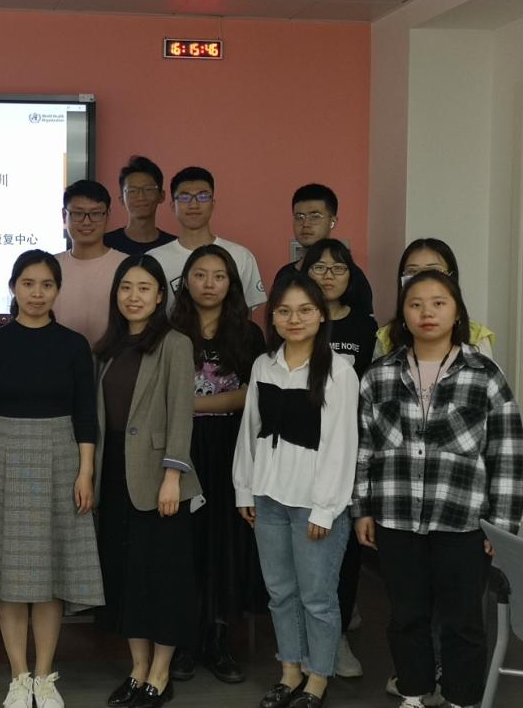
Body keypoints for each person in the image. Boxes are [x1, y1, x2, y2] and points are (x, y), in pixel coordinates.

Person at [354, 270, 523, 708]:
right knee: (406, 616)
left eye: (438, 303)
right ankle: (413, 693)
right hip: (396, 516)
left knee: (464, 621)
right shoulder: (379, 375)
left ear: (457, 312)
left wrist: (502, 526)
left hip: (464, 521)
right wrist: (362, 508)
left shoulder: (485, 374)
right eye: (415, 304)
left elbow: (506, 452)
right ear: (402, 315)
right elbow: (366, 448)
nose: (426, 312)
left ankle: (462, 700)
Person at [0, 250, 103, 708]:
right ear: (13, 287)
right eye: (28, 284)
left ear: (57, 290)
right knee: (12, 573)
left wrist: (85, 471)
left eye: (46, 285)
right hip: (4, 457)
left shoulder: (74, 345)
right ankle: (18, 676)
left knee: (49, 572)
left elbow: (86, 416)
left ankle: (44, 676)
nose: (37, 293)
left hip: (62, 457)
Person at [233, 275, 359, 708]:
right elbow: (250, 430)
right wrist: (244, 489)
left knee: (317, 598)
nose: (294, 319)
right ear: (273, 318)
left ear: (321, 315)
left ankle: (318, 677)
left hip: (314, 505)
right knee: (280, 593)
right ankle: (289, 671)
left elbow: (341, 445)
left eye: (305, 310)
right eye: (284, 311)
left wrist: (325, 509)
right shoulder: (264, 365)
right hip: (268, 499)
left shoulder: (339, 372)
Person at [92, 255, 199, 708]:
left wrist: (173, 475)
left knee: (163, 578)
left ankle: (161, 673)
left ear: (159, 296)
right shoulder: (107, 348)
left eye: (143, 288)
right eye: (125, 287)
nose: (133, 296)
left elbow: (181, 414)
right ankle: (137, 669)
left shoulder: (175, 343)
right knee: (126, 576)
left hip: (160, 478)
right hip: (114, 473)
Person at [169, 245, 265, 684]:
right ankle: (184, 640)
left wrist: (191, 404)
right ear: (185, 280)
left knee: (225, 542)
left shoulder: (248, 335)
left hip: (231, 448)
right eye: (200, 274)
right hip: (181, 449)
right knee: (185, 542)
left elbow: (253, 394)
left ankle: (219, 638)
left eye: (219, 276)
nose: (209, 284)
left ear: (232, 283)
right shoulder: (169, 331)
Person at [301, 238, 377, 679]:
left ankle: (340, 632)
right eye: (319, 267)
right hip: (300, 450)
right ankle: (302, 642)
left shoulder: (367, 329)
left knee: (343, 548)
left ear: (351, 276)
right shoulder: (296, 318)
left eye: (338, 268)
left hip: (349, 450)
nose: (328, 276)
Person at [146, 166, 265, 311]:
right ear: (172, 206)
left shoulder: (241, 256)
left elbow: (245, 317)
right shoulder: (154, 259)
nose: (194, 205)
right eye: (184, 197)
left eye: (202, 197)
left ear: (213, 204)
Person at [374, 238, 494, 360]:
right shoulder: (386, 337)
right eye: (412, 271)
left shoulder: (476, 336)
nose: (422, 279)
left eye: (433, 271)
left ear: (452, 278)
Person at [273, 184, 372, 314]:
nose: (306, 224)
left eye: (315, 216)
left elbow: (364, 322)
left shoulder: (351, 276)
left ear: (332, 222)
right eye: (299, 217)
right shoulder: (284, 275)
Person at [52, 179, 127, 346]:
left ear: (108, 214)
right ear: (64, 215)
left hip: (113, 359)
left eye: (96, 213)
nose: (86, 222)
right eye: (78, 213)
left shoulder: (127, 266)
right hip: (56, 359)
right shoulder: (49, 267)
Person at [102, 155, 176, 255]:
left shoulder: (174, 246)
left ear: (161, 196)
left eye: (148, 189)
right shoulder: (104, 244)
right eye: (132, 191)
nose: (141, 197)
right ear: (121, 199)